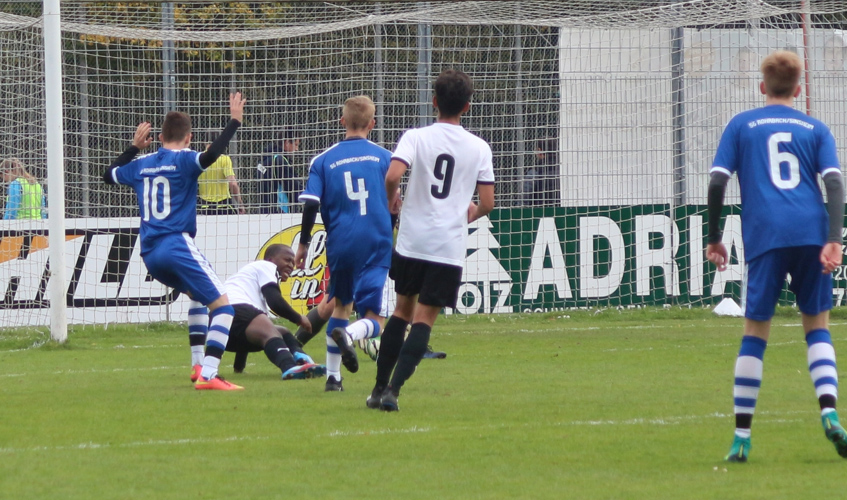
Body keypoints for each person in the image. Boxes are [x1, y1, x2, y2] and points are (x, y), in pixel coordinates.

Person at [706, 50, 847, 462]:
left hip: (766, 233)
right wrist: (834, 238)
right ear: (799, 89)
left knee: (755, 334)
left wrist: (715, 236)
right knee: (817, 326)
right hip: (811, 230)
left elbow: (717, 182)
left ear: (762, 86)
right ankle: (830, 413)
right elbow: (835, 186)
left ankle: (741, 438)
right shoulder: (815, 128)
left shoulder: (742, 125)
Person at [370, 69, 495, 411]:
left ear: (434, 101)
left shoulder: (415, 136)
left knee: (401, 312)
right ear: (467, 107)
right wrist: (464, 214)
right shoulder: (479, 147)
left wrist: (391, 200)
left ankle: (378, 388)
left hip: (412, 239)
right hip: (447, 246)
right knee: (424, 320)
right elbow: (487, 203)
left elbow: (393, 175)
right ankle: (394, 391)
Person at [103, 92, 247, 391]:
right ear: (189, 137)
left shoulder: (142, 163)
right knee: (224, 308)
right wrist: (234, 121)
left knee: (197, 296)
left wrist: (133, 147)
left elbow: (108, 175)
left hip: (150, 252)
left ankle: (197, 365)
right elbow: (211, 156)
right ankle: (209, 375)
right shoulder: (185, 159)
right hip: (176, 243)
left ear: (158, 136)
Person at [295, 95, 395, 392]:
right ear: (372, 124)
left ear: (342, 122)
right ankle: (350, 335)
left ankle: (333, 378)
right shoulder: (385, 157)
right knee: (376, 318)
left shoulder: (323, 160)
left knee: (340, 306)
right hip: (377, 239)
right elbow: (395, 201)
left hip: (341, 241)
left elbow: (311, 203)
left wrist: (303, 243)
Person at [222, 243, 325, 380]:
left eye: (293, 263)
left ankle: (301, 358)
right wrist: (298, 318)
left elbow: (243, 326)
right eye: (287, 260)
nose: (291, 266)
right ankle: (289, 367)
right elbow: (275, 302)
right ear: (270, 260)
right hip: (236, 309)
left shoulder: (247, 283)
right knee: (269, 331)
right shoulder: (266, 266)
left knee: (281, 331)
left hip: (222, 334)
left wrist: (238, 368)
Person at [197, 132, 245, 215]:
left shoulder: (199, 158)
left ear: (204, 142)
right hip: (224, 206)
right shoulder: (224, 159)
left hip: (204, 207)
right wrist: (240, 204)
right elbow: (233, 184)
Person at [257, 130, 300, 214]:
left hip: (263, 211)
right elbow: (293, 188)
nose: (297, 149)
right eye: (296, 145)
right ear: (287, 142)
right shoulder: (279, 160)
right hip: (280, 212)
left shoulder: (264, 159)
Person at [522, 138, 558, 206]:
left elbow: (525, 200)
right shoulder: (563, 170)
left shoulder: (534, 172)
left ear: (539, 151)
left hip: (539, 212)